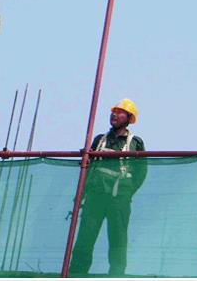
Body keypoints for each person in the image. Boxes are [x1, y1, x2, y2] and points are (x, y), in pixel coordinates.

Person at [70, 98, 147, 277]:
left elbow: (141, 172)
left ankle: (116, 276)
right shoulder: (99, 140)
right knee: (84, 239)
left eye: (120, 112)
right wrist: (81, 194)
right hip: (95, 195)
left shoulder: (135, 142)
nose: (114, 114)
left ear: (129, 118)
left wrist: (127, 191)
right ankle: (76, 276)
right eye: (114, 111)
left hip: (119, 198)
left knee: (118, 240)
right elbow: (87, 168)